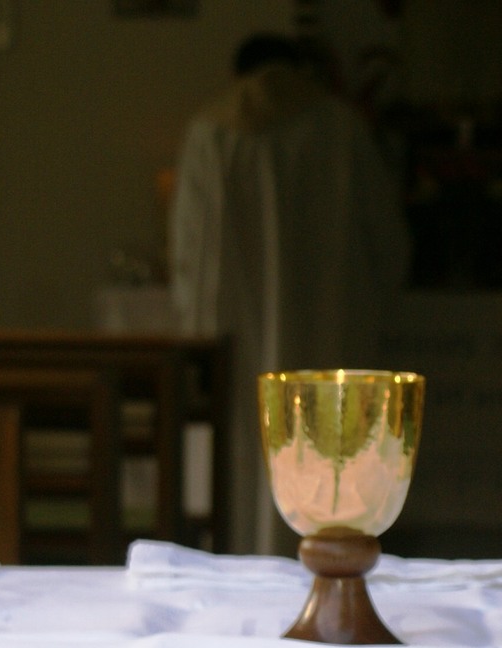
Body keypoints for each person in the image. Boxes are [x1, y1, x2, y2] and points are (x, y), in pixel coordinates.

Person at [170, 32, 410, 556]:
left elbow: (189, 253)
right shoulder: (340, 127)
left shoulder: (211, 131)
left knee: (241, 446)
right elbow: (386, 242)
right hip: (328, 324)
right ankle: (329, 563)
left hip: (234, 333)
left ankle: (235, 558)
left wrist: (194, 326)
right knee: (326, 453)